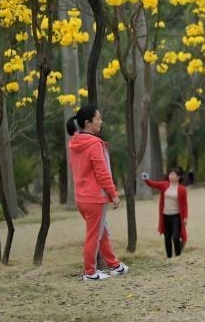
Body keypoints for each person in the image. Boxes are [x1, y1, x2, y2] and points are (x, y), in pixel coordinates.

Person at [66, 105, 129, 281]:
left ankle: (115, 265)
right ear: (88, 122)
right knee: (94, 235)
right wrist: (113, 194)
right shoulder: (94, 144)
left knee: (102, 231)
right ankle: (90, 273)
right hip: (94, 199)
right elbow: (103, 173)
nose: (101, 121)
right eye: (98, 118)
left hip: (82, 198)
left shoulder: (74, 143)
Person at [141, 167, 189, 258]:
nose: (170, 176)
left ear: (178, 177)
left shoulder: (182, 189)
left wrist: (185, 217)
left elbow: (184, 204)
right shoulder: (165, 185)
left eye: (173, 174)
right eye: (170, 174)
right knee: (167, 238)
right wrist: (146, 179)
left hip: (176, 216)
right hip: (166, 216)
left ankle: (178, 255)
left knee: (176, 237)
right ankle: (169, 256)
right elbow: (153, 184)